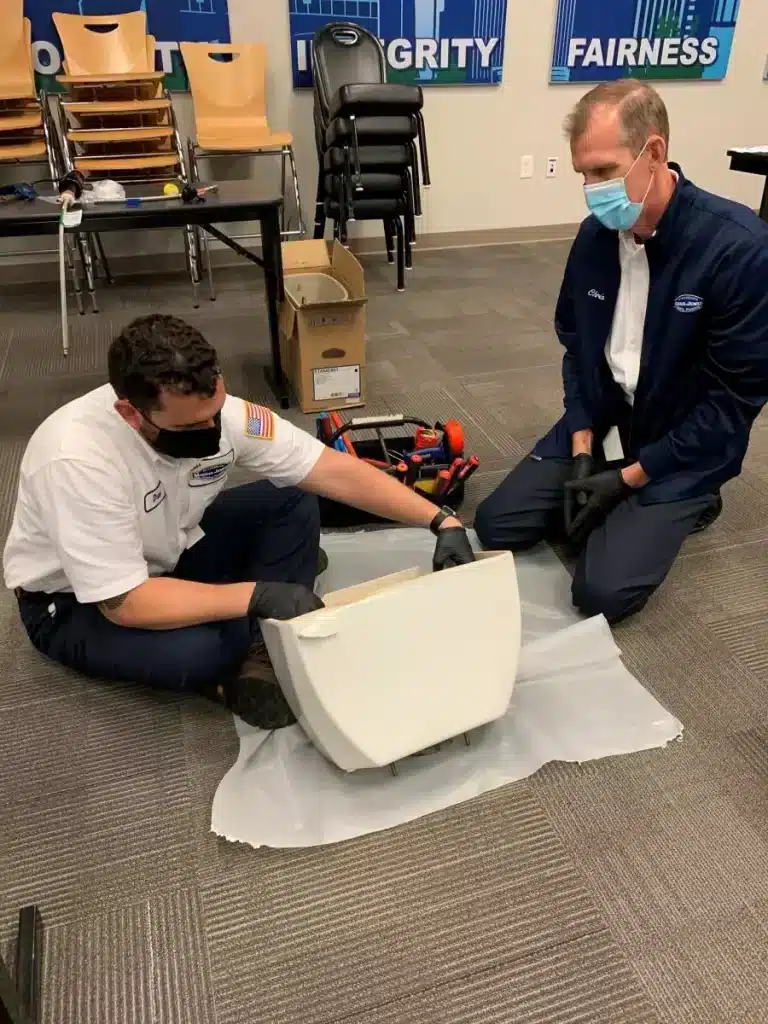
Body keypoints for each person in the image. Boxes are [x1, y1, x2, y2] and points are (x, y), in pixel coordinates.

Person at [4, 314, 475, 728]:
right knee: (202, 651)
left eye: (214, 415)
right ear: (130, 413)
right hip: (73, 604)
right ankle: (236, 659)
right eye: (190, 428)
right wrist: (260, 594)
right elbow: (125, 604)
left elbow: (328, 469)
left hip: (172, 545)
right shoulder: (76, 460)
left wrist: (440, 520)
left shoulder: (222, 414)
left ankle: (257, 645)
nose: (211, 434)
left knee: (293, 499)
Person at [475, 79, 768, 624]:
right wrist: (584, 441)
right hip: (609, 417)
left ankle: (696, 498)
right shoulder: (594, 238)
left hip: (685, 439)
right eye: (583, 173)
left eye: (604, 171)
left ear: (653, 153)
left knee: (602, 593)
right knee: (497, 525)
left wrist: (627, 479)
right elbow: (575, 345)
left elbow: (733, 404)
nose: (591, 189)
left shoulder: (737, 248)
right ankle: (610, 471)